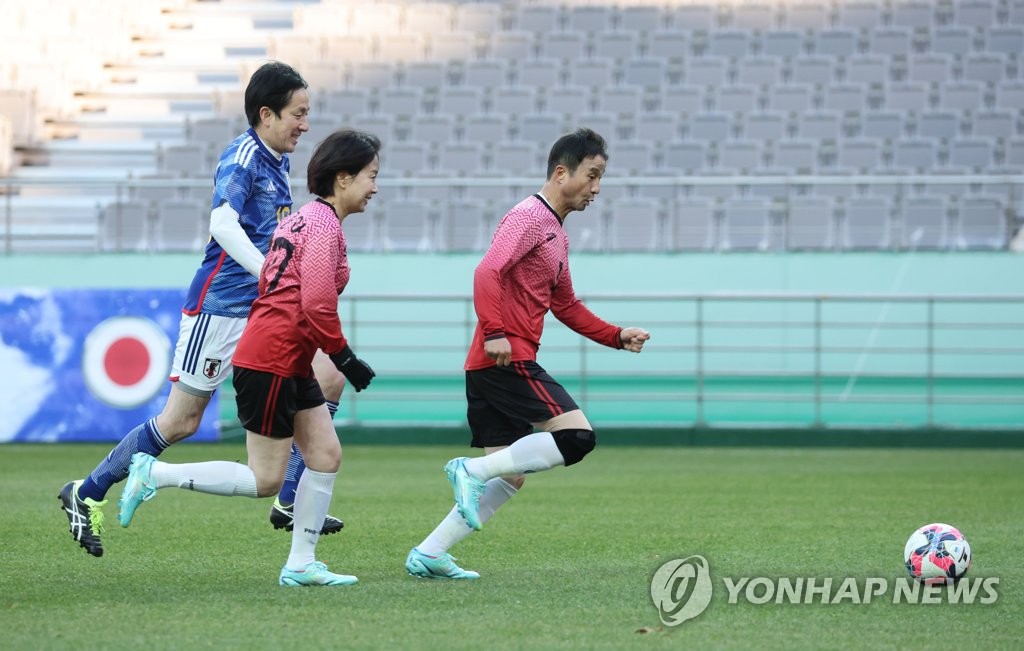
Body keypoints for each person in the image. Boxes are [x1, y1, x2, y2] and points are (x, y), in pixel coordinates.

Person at [58, 61, 346, 558]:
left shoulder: (276, 159)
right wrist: (270, 272)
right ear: (266, 114)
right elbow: (222, 223)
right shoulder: (242, 157)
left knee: (330, 376)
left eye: (307, 113)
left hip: (263, 311)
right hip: (220, 310)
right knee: (181, 422)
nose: (305, 124)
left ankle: (290, 497)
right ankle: (85, 492)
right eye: (298, 113)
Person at [117, 129, 380, 587]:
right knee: (265, 480)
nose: (375, 187)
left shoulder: (304, 219)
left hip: (285, 356)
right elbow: (316, 302)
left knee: (324, 452)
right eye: (371, 176)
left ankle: (301, 564)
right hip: (273, 359)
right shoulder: (321, 226)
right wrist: (345, 357)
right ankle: (156, 473)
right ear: (343, 178)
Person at [405, 128, 651, 580]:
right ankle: (468, 469)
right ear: (562, 173)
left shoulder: (556, 234)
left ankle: (430, 552)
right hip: (505, 356)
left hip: (489, 362)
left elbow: (566, 305)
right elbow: (487, 270)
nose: (597, 189)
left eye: (601, 179)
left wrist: (616, 336)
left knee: (510, 476)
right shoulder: (528, 217)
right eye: (592, 176)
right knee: (578, 438)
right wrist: (496, 331)